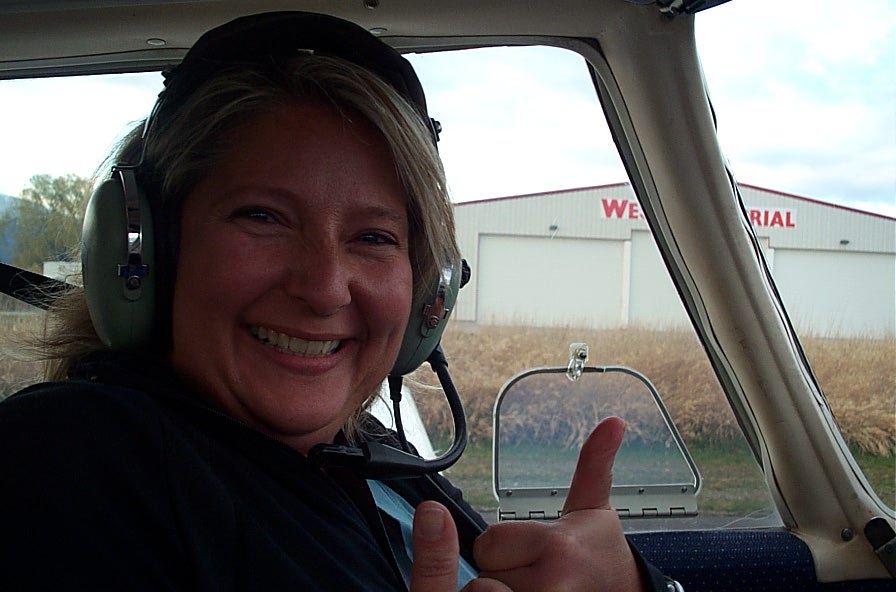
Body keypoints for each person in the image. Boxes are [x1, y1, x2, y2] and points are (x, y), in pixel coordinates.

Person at [0, 11, 677, 592]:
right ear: (141, 254)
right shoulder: (64, 464)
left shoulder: (369, 460)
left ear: (427, 290)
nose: (324, 288)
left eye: (374, 237)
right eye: (262, 217)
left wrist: (636, 584)